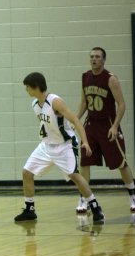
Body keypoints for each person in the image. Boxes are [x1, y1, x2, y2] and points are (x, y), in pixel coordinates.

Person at [14, 72, 105, 223]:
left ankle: (95, 207)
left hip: (65, 146)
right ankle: (29, 209)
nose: (26, 90)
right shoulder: (35, 104)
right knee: (27, 173)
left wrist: (85, 142)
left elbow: (75, 120)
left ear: (36, 87)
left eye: (28, 87)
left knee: (75, 176)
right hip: (46, 145)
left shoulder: (55, 101)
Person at [76, 47, 135, 214]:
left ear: (104, 60)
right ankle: (84, 198)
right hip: (91, 125)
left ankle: (133, 195)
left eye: (97, 57)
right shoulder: (85, 77)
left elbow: (122, 105)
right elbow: (84, 102)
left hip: (108, 125)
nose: (94, 59)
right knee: (85, 161)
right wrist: (76, 118)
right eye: (91, 56)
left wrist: (114, 126)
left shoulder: (110, 79)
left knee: (120, 162)